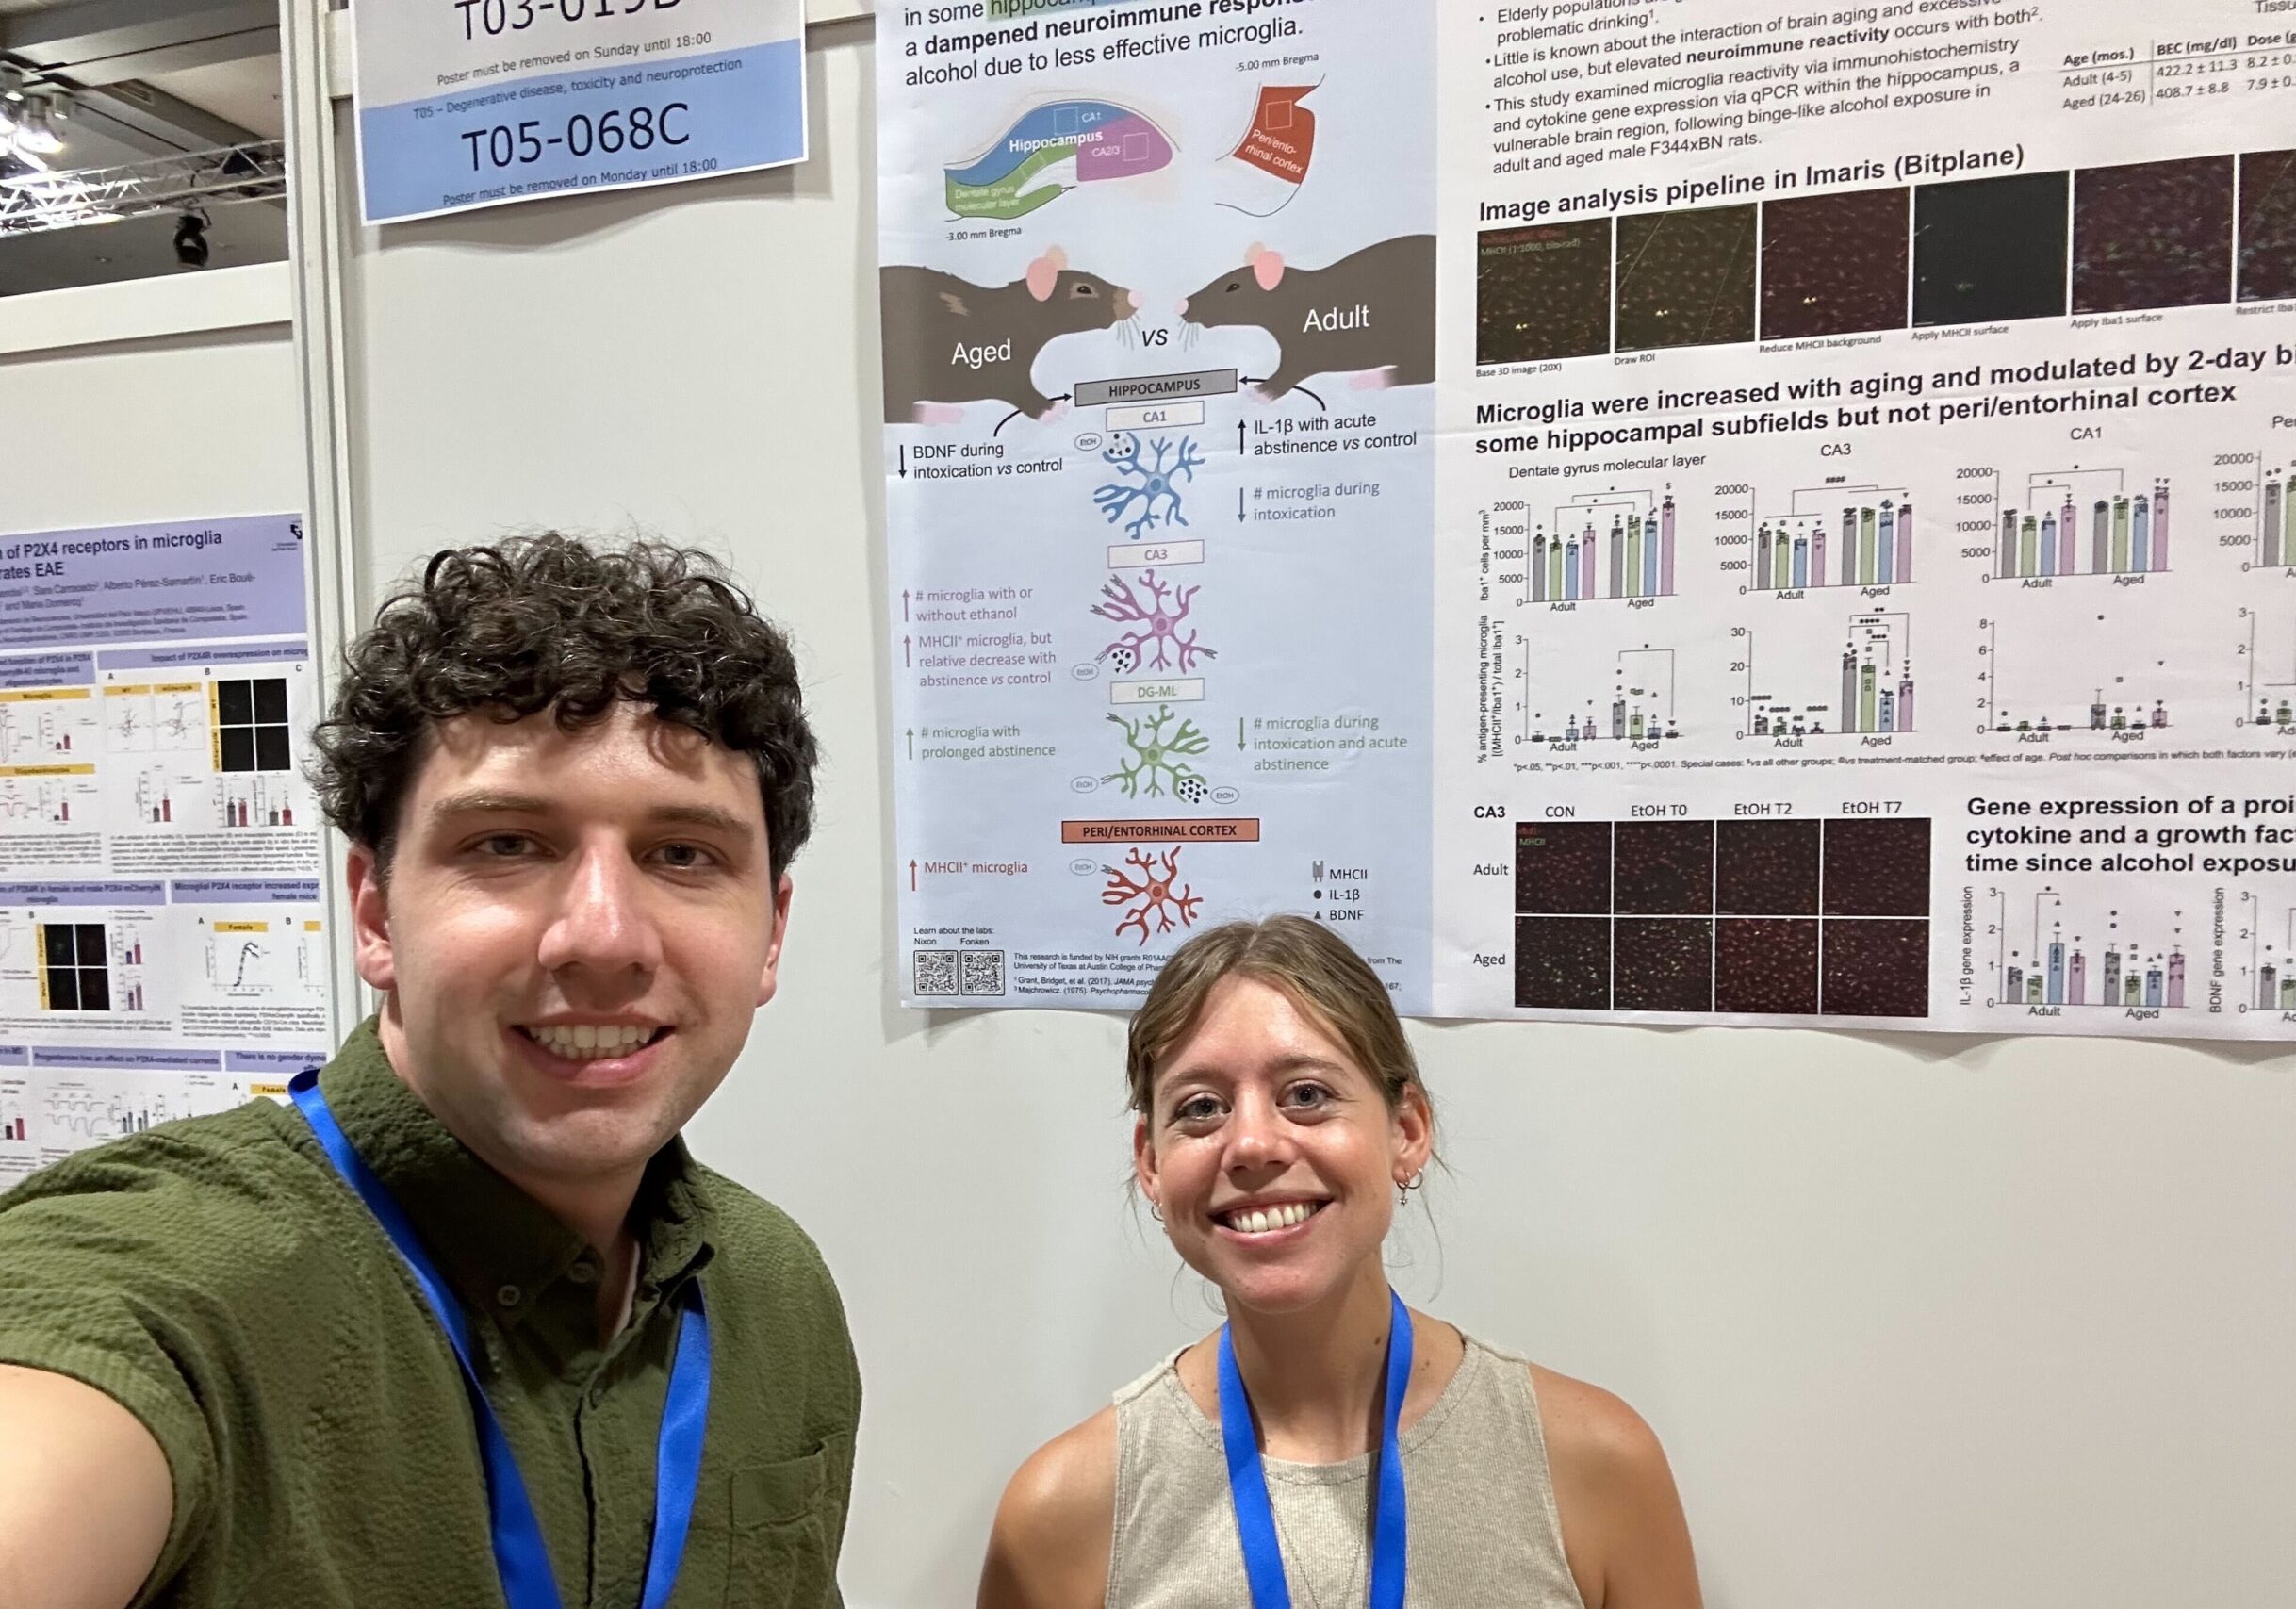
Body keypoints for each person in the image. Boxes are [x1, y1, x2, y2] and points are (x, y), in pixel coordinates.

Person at [0, 537, 857, 1609]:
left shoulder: (773, 1293)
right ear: (374, 915)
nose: (601, 938)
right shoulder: (181, 1289)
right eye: (506, 845)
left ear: (769, 935)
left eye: (683, 854)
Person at [978, 915, 1701, 1609]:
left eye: (1307, 1094)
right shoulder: (1060, 1515)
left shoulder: (1593, 1466)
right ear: (1151, 1163)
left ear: (1407, 1131)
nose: (1253, 1143)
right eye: (1201, 1107)